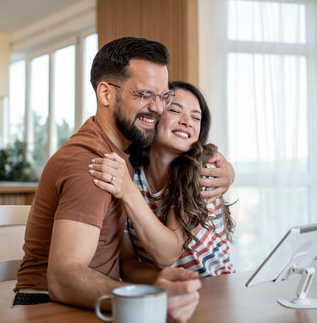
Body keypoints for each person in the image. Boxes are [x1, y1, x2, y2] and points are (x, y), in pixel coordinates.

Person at [14, 37, 233, 323]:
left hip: (94, 297)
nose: (157, 108)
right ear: (105, 94)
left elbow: (124, 257)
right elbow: (63, 278)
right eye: (145, 95)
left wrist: (227, 169)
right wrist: (146, 299)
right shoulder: (94, 162)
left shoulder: (122, 158)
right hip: (49, 304)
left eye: (163, 96)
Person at [89, 81, 235, 277]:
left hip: (215, 289)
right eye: (175, 110)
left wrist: (127, 192)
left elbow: (166, 254)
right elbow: (126, 262)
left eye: (196, 117)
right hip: (165, 293)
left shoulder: (201, 172)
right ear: (152, 117)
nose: (187, 121)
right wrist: (159, 280)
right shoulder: (131, 174)